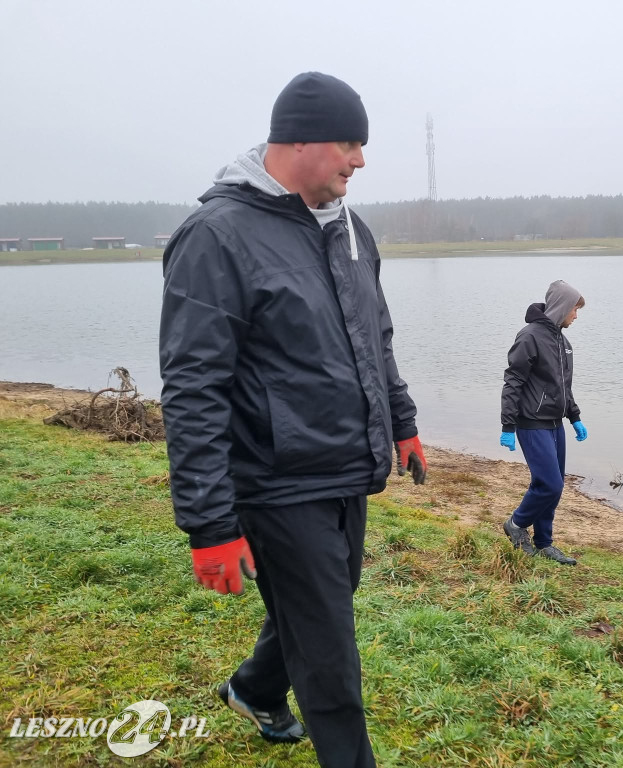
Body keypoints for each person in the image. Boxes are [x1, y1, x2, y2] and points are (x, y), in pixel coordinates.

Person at [159, 72, 427, 768]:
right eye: (349, 143)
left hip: (344, 464)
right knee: (331, 656)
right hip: (275, 480)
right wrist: (210, 525)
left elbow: (377, 335)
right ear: (298, 141)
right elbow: (194, 386)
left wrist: (402, 421)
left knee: (325, 603)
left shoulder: (350, 229)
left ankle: (254, 688)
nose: (359, 161)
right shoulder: (217, 235)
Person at [500, 280, 587, 566]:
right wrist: (508, 425)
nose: (576, 315)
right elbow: (513, 381)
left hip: (554, 423)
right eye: (575, 309)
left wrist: (574, 417)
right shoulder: (529, 337)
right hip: (531, 422)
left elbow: (564, 386)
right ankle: (516, 524)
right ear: (563, 306)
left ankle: (544, 542)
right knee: (549, 484)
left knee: (555, 484)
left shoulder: (563, 342)